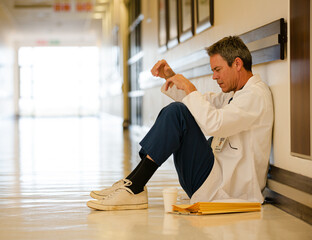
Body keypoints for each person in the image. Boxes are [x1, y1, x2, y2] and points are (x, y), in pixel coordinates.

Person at [87, 36, 274, 211]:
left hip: (230, 191)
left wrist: (189, 87)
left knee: (178, 112)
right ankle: (133, 183)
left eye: (217, 70)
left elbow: (214, 124)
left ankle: (135, 186)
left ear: (237, 63)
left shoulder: (255, 95)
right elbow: (200, 104)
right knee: (179, 111)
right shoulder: (236, 94)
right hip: (213, 178)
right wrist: (171, 77)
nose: (214, 77)